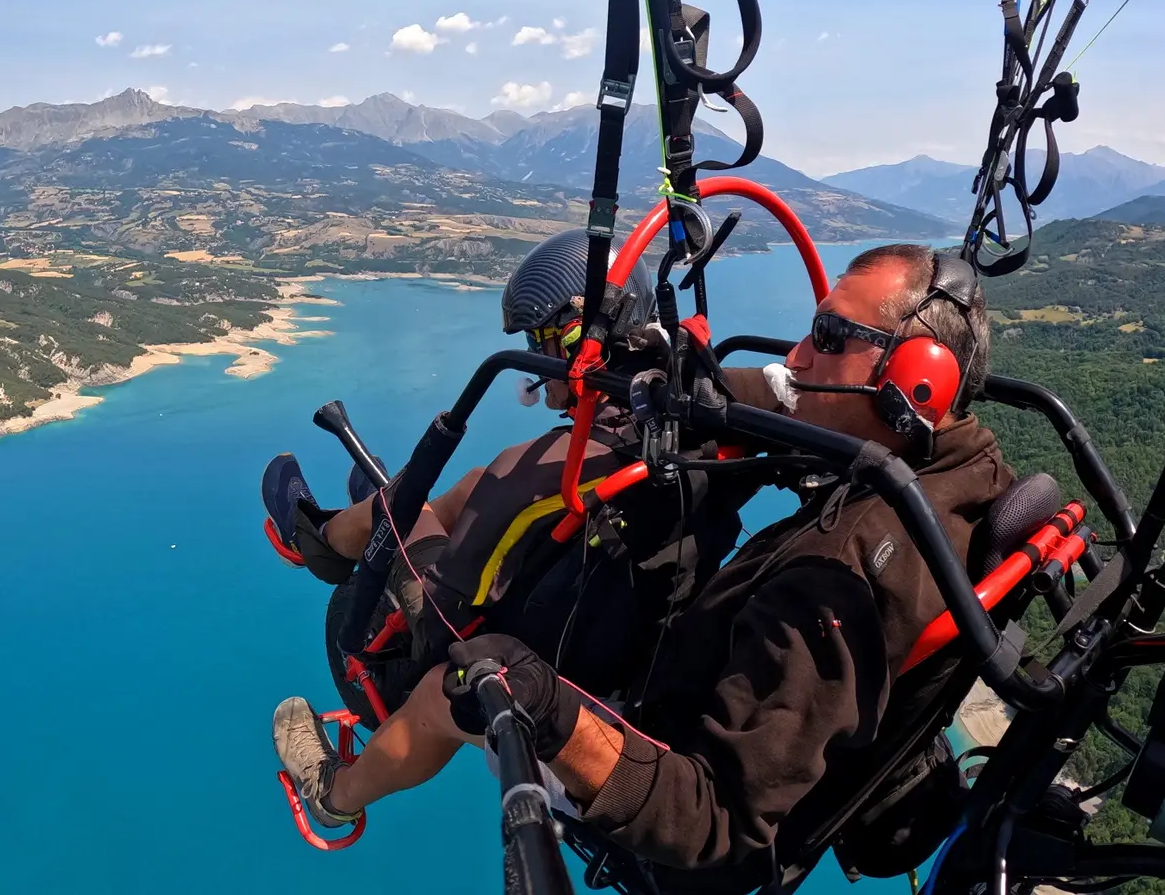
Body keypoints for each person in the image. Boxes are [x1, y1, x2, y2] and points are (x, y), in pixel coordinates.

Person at [274, 243, 1009, 886]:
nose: (795, 355)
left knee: (449, 684)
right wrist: (685, 391)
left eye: (827, 335)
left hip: (670, 804)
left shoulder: (834, 584)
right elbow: (773, 403)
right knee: (455, 494)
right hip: (688, 669)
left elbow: (712, 821)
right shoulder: (954, 470)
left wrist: (547, 707)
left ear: (917, 377)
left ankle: (334, 792)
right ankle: (342, 533)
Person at [261, 232, 741, 700]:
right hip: (615, 641)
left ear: (574, 339)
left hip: (503, 647)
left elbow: (439, 619)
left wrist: (407, 519)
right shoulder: (687, 427)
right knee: (473, 484)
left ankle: (320, 541)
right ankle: (371, 513)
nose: (534, 359)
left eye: (538, 341)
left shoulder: (535, 472)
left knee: (403, 509)